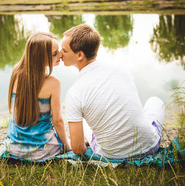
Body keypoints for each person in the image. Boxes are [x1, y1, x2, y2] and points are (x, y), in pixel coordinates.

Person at [60, 24, 164, 159]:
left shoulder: (74, 93)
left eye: (64, 50)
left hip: (112, 156)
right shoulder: (120, 68)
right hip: (149, 148)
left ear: (80, 55)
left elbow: (78, 149)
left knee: (84, 121)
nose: (60, 53)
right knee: (155, 101)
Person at [5, 32, 71, 160]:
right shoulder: (53, 83)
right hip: (44, 151)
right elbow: (57, 121)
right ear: (40, 58)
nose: (60, 54)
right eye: (54, 53)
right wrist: (67, 146)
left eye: (59, 50)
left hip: (15, 149)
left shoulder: (16, 72)